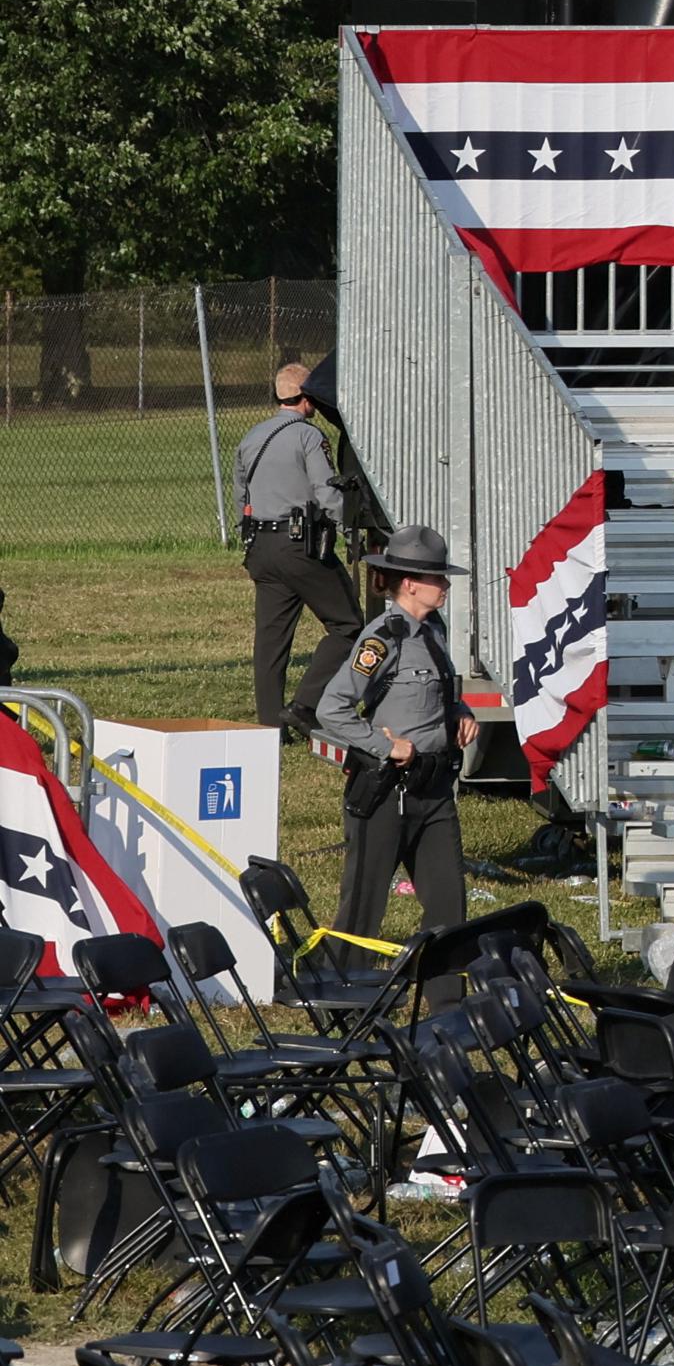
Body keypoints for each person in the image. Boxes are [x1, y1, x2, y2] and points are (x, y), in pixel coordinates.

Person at [317, 524, 476, 948]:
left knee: (449, 908)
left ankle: (447, 1003)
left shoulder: (435, 631)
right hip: (388, 792)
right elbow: (331, 708)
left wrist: (460, 712)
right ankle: (341, 996)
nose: (444, 586)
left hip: (435, 790)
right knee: (362, 911)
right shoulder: (384, 639)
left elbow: (435, 691)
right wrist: (385, 746)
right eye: (437, 579)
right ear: (409, 584)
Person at [232, 363, 363, 738]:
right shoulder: (308, 436)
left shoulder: (252, 436)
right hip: (300, 545)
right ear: (307, 398)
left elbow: (241, 496)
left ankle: (270, 726)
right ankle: (304, 706)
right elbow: (325, 492)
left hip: (260, 546)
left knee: (271, 641)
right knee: (348, 625)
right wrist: (349, 524)